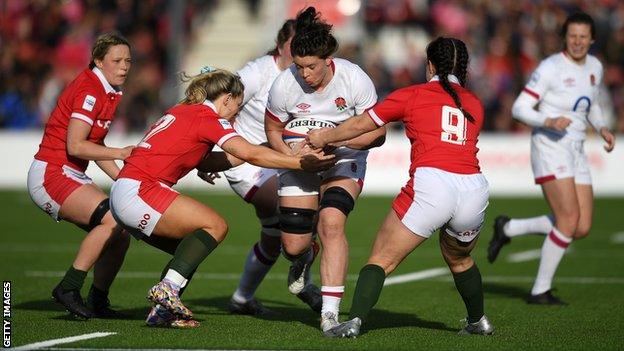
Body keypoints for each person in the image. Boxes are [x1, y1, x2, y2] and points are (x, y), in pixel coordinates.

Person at [109, 68, 334, 328]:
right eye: (236, 107)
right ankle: (167, 290)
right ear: (226, 98)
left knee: (190, 250)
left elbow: (217, 158)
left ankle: (163, 312)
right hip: (141, 190)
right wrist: (298, 162)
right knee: (216, 226)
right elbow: (247, 154)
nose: (236, 114)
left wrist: (267, 148)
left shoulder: (183, 110)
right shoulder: (208, 117)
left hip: (125, 191)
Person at [308, 36, 495, 337]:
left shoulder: (413, 94)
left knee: (381, 259)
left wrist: (324, 137)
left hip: (433, 184)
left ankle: (353, 322)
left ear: (430, 64)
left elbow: (363, 125)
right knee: (459, 258)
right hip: (474, 189)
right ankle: (478, 321)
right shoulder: (475, 103)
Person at [264, 7, 386, 336]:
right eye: (299, 66)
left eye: (311, 67)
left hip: (344, 159)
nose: (304, 74)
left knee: (332, 222)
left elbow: (378, 133)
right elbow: (272, 130)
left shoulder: (354, 78)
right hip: (300, 164)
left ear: (328, 60)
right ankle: (305, 259)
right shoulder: (283, 84)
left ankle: (329, 315)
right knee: (292, 247)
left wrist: (332, 142)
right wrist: (290, 156)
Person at [487, 12, 616, 305]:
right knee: (568, 220)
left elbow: (591, 104)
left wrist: (602, 127)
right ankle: (539, 290)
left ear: (592, 39)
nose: (578, 42)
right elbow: (520, 108)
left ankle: (508, 228)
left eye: (584, 36)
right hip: (549, 146)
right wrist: (548, 121)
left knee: (581, 227)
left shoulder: (595, 66)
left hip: (576, 149)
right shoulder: (551, 68)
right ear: (565, 38)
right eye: (573, 36)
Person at [198, 19, 323, 315]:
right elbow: (214, 107)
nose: (300, 51)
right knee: (304, 213)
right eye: (294, 44)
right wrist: (207, 153)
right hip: (247, 163)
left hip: (279, 159)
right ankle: (304, 280)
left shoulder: (304, 76)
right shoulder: (258, 73)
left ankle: (242, 299)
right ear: (280, 46)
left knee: (272, 237)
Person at [27, 33, 134, 320]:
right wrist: (121, 153)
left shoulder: (108, 90)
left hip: (70, 172)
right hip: (52, 173)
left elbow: (93, 148)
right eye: (117, 60)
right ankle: (69, 287)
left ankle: (98, 300)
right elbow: (76, 146)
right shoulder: (90, 89)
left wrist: (126, 180)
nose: (124, 66)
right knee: (113, 218)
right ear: (98, 61)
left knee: (122, 231)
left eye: (128, 60)